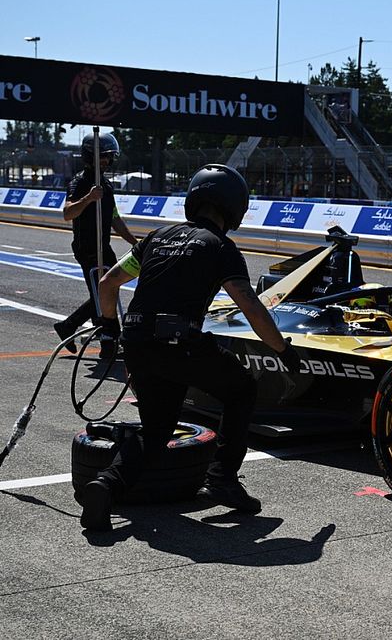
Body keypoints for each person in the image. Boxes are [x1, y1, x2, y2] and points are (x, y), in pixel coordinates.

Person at [79, 164, 301, 531]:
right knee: (241, 388)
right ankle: (223, 478)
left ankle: (104, 485)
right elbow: (250, 306)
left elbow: (107, 283)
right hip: (178, 342)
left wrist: (109, 329)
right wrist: (283, 351)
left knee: (156, 430)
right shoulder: (220, 247)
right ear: (234, 208)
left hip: (136, 343)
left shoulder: (156, 237)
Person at [54, 132, 138, 357]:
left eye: (109, 157)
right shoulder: (80, 182)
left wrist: (136, 243)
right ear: (90, 156)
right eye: (103, 157)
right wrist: (89, 198)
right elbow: (67, 213)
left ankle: (73, 327)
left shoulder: (106, 185)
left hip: (104, 246)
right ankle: (108, 343)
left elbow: (114, 218)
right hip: (87, 248)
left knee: (107, 291)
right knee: (104, 293)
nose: (106, 161)